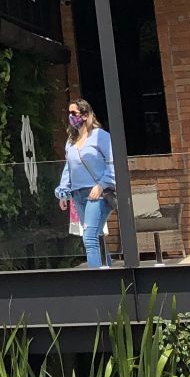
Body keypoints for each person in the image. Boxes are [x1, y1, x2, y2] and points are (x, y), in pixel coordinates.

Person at [54, 98, 115, 268]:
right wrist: (63, 191)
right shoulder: (71, 141)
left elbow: (112, 162)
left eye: (74, 113)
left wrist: (101, 185)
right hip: (78, 194)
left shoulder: (100, 136)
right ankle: (109, 272)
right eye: (69, 113)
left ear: (85, 115)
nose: (71, 117)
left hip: (97, 193)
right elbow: (69, 167)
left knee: (89, 237)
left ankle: (96, 278)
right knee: (95, 234)